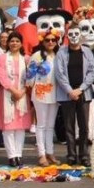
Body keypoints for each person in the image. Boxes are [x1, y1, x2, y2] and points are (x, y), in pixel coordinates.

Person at [54, 24, 94, 166]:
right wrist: (69, 90)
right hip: (67, 94)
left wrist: (81, 89)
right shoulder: (61, 53)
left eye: (76, 34)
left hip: (84, 93)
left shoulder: (87, 52)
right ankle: (71, 155)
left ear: (81, 35)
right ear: (67, 36)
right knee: (69, 126)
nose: (73, 37)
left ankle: (84, 155)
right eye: (70, 34)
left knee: (84, 126)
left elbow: (92, 72)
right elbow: (59, 73)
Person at [0, 31, 31, 167]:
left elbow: (31, 77)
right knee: (8, 127)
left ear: (21, 44)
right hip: (6, 95)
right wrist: (14, 91)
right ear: (7, 43)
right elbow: (1, 76)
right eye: (12, 41)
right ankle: (11, 155)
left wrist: (22, 91)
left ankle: (18, 154)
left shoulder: (26, 59)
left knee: (20, 127)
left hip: (23, 95)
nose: (14, 43)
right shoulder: (2, 58)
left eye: (17, 41)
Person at [26, 29, 60, 166]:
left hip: (55, 93)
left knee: (50, 125)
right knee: (41, 125)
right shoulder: (37, 56)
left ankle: (50, 152)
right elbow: (30, 76)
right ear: (43, 42)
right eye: (47, 40)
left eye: (53, 40)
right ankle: (41, 154)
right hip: (40, 92)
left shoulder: (59, 55)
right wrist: (30, 87)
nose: (50, 42)